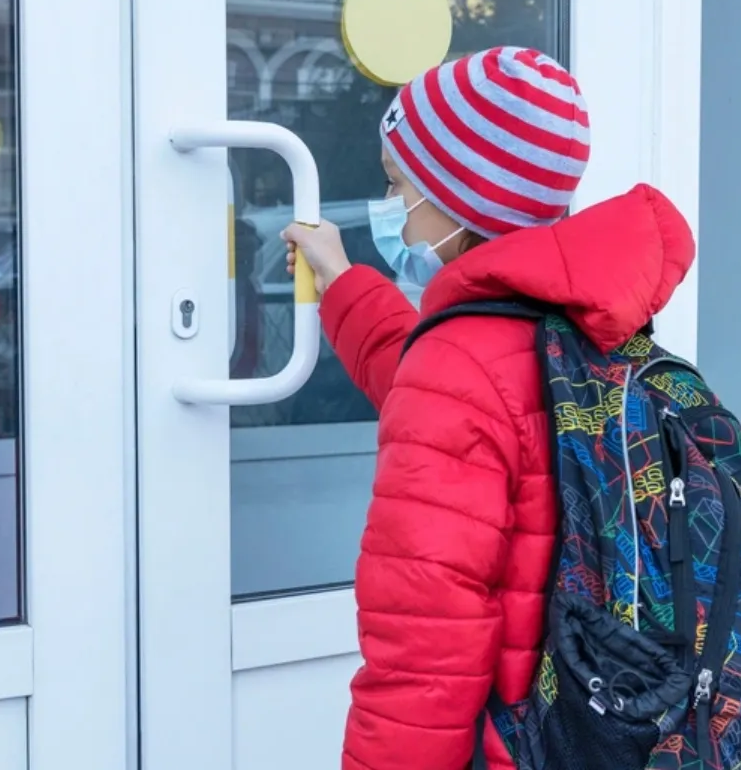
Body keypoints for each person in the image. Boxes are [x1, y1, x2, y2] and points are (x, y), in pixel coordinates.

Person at [284, 46, 695, 770]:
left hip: (516, 747)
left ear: (454, 198)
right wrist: (341, 278)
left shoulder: (462, 362)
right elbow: (439, 392)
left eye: (396, 186)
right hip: (600, 726)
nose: (393, 212)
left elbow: (424, 651)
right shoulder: (582, 328)